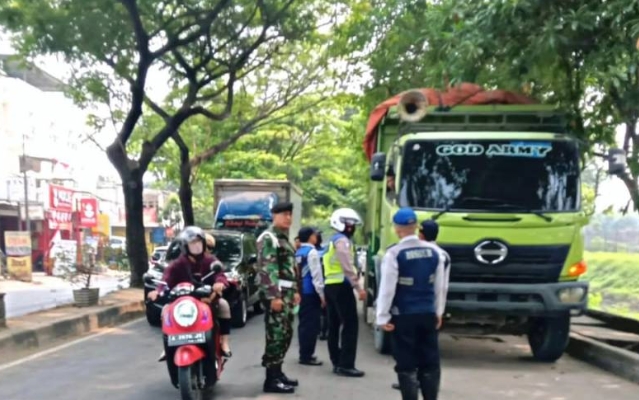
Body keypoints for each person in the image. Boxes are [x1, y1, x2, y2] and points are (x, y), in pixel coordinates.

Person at [376, 208, 449, 400]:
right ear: (416, 227)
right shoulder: (436, 253)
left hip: (403, 315)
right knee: (430, 362)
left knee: (407, 364)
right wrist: (438, 312)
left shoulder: (394, 253)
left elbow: (387, 289)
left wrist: (383, 316)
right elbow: (440, 287)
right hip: (427, 313)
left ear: (396, 229)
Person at [147, 226, 233, 388]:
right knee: (165, 310)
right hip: (182, 302)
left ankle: (224, 342)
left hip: (207, 300)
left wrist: (219, 284)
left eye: (199, 242)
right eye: (193, 243)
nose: (197, 246)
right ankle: (167, 346)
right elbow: (166, 280)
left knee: (224, 305)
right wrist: (156, 292)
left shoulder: (210, 261)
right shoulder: (178, 264)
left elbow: (220, 275)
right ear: (185, 246)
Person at [392, 218, 450, 391]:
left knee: (409, 349)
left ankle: (410, 381)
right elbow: (442, 286)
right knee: (427, 351)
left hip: (407, 309)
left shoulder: (406, 251)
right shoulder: (442, 254)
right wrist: (439, 310)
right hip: (429, 308)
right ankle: (421, 382)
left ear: (420, 233)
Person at [256, 201, 301, 394]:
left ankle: (278, 372)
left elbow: (290, 269)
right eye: (283, 214)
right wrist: (274, 296)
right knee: (275, 335)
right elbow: (268, 269)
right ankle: (271, 379)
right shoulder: (269, 237)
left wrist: (296, 290)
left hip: (287, 295)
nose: (288, 218)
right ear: (274, 216)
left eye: (290, 214)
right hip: (278, 295)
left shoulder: (283, 238)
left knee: (285, 335)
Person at [322, 208, 367, 377]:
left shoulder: (332, 241)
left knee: (334, 325)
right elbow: (347, 266)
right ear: (340, 222)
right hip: (341, 286)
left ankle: (337, 362)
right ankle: (346, 364)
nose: (352, 227)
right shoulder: (342, 242)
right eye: (349, 223)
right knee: (350, 325)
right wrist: (359, 288)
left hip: (330, 286)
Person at [296, 227, 325, 366]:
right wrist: (322, 295)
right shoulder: (312, 252)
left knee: (303, 324)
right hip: (310, 293)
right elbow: (316, 276)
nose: (316, 237)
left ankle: (304, 353)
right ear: (310, 237)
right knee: (311, 325)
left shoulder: (298, 252)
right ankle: (306, 356)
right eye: (315, 234)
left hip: (300, 293)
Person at [316, 230, 329, 341]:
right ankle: (323, 332)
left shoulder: (307, 251)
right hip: (324, 282)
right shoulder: (324, 251)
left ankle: (320, 331)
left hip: (313, 285)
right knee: (324, 310)